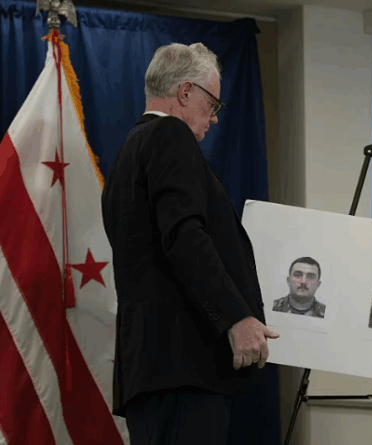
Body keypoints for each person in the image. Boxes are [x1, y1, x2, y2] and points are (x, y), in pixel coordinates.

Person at [100, 42, 279, 445]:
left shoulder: (128, 152)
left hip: (152, 371)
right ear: (185, 93)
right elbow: (185, 236)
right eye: (212, 104)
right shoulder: (169, 134)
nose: (214, 119)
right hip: (185, 369)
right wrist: (236, 317)